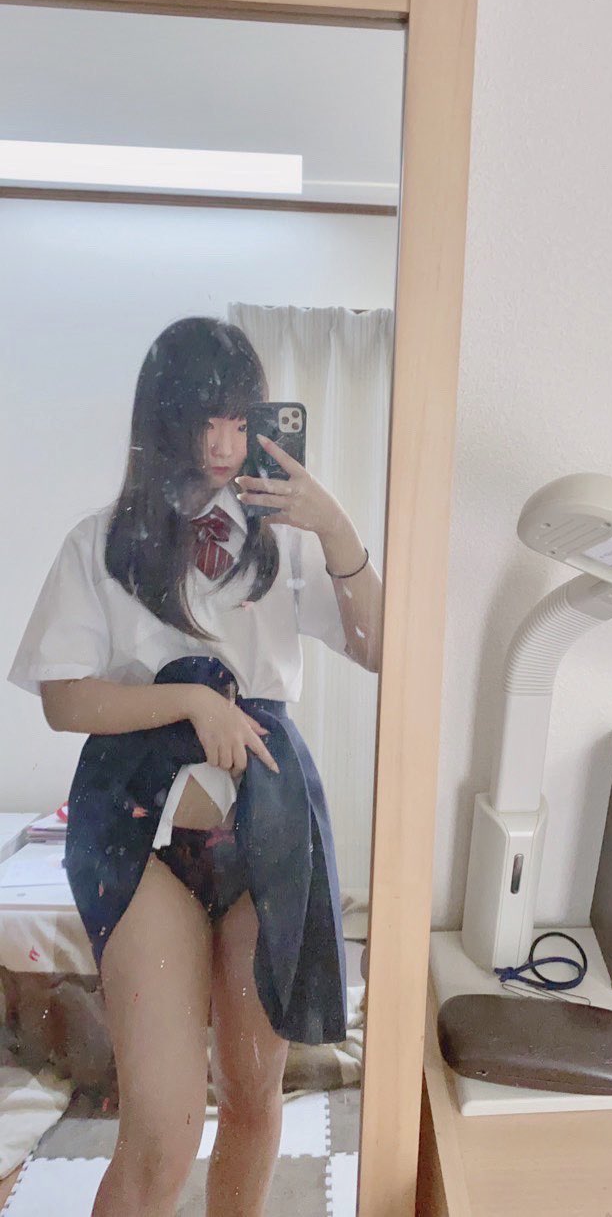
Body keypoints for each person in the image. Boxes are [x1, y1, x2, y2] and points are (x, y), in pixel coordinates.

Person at [8, 316, 382, 1217]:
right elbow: (65, 700)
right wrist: (190, 701)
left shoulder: (288, 541)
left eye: (239, 422)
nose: (222, 445)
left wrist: (334, 527)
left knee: (256, 1099)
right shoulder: (101, 542)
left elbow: (383, 649)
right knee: (164, 1130)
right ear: (161, 422)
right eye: (202, 421)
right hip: (141, 845)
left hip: (268, 835)